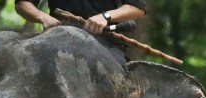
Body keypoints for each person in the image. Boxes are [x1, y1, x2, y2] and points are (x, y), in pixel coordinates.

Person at [14, 0, 147, 64]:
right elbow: (22, 3)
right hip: (56, 36)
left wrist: (106, 16)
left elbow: (136, 7)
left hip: (104, 42)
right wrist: (43, 17)